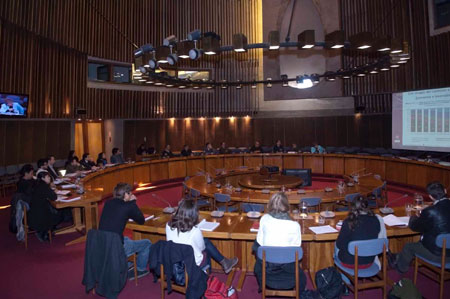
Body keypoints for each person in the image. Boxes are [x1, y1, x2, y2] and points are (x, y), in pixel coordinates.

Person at [390, 181, 450, 274]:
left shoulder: (431, 211)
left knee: (408, 246)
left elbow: (415, 227)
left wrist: (413, 217)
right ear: (445, 191)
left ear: (430, 196)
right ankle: (399, 256)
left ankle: (400, 269)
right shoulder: (432, 209)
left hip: (438, 254)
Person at [166, 199, 238, 274]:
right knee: (206, 247)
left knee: (205, 241)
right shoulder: (194, 231)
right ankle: (207, 276)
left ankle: (224, 262)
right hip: (192, 263)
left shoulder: (168, 225)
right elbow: (202, 247)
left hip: (175, 260)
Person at [253, 192, 306, 294]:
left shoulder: (264, 219)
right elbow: (296, 248)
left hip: (267, 272)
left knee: (257, 251)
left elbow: (259, 244)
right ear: (287, 206)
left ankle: (262, 286)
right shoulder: (295, 225)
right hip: (290, 272)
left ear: (270, 205)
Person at [99, 183, 151, 279]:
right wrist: (133, 202)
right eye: (130, 193)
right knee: (147, 243)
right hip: (117, 248)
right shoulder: (129, 206)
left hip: (102, 245)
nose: (131, 195)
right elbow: (141, 220)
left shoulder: (108, 203)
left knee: (127, 239)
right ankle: (140, 269)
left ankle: (126, 264)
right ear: (126, 195)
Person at [335, 196, 385, 268]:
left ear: (353, 207)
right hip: (369, 260)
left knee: (336, 246)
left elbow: (339, 244)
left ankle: (344, 278)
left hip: (350, 262)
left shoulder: (349, 222)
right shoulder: (376, 220)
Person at [28, 171, 63, 242]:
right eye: (48, 177)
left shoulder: (37, 184)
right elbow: (54, 197)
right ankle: (44, 232)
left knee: (55, 211)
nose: (49, 178)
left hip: (34, 209)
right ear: (43, 178)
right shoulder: (43, 186)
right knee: (58, 214)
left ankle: (48, 230)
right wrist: (54, 191)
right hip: (40, 212)